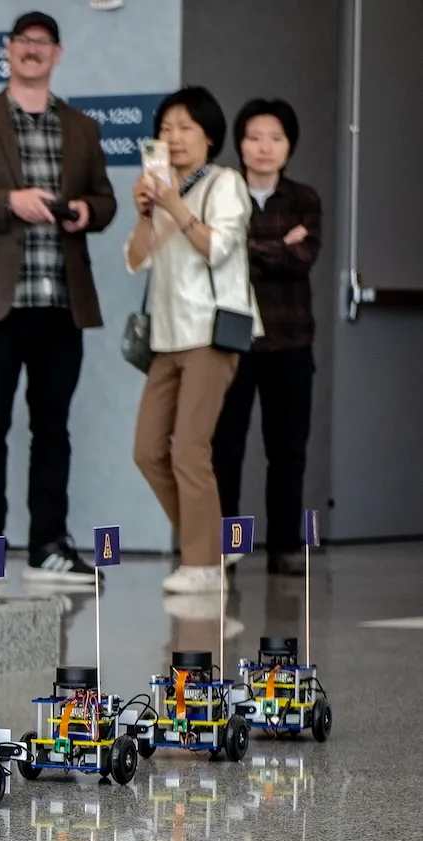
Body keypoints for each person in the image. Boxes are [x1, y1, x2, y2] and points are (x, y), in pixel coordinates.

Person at [0, 11, 117, 585]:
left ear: (57, 54)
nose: (32, 51)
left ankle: (48, 544)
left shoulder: (82, 126)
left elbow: (105, 201)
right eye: (23, 42)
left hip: (61, 301)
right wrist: (9, 201)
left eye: (43, 43)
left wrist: (88, 212)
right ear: (6, 52)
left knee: (52, 429)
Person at [126, 86, 261, 596]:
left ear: (209, 136)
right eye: (166, 128)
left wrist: (174, 206)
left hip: (211, 330)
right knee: (146, 450)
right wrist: (144, 213)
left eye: (185, 127)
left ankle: (203, 564)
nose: (174, 137)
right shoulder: (159, 189)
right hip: (166, 335)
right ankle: (212, 542)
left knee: (189, 448)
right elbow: (137, 259)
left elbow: (219, 248)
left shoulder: (225, 183)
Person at [210, 99, 322, 578]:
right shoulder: (222, 191)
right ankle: (229, 547)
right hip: (236, 337)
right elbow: (220, 253)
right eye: (255, 137)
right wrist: (278, 245)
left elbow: (304, 259)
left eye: (276, 138)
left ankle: (284, 547)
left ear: (289, 146)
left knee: (288, 449)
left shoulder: (304, 199)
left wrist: (249, 246)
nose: (264, 147)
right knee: (227, 448)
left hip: (291, 337)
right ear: (240, 142)